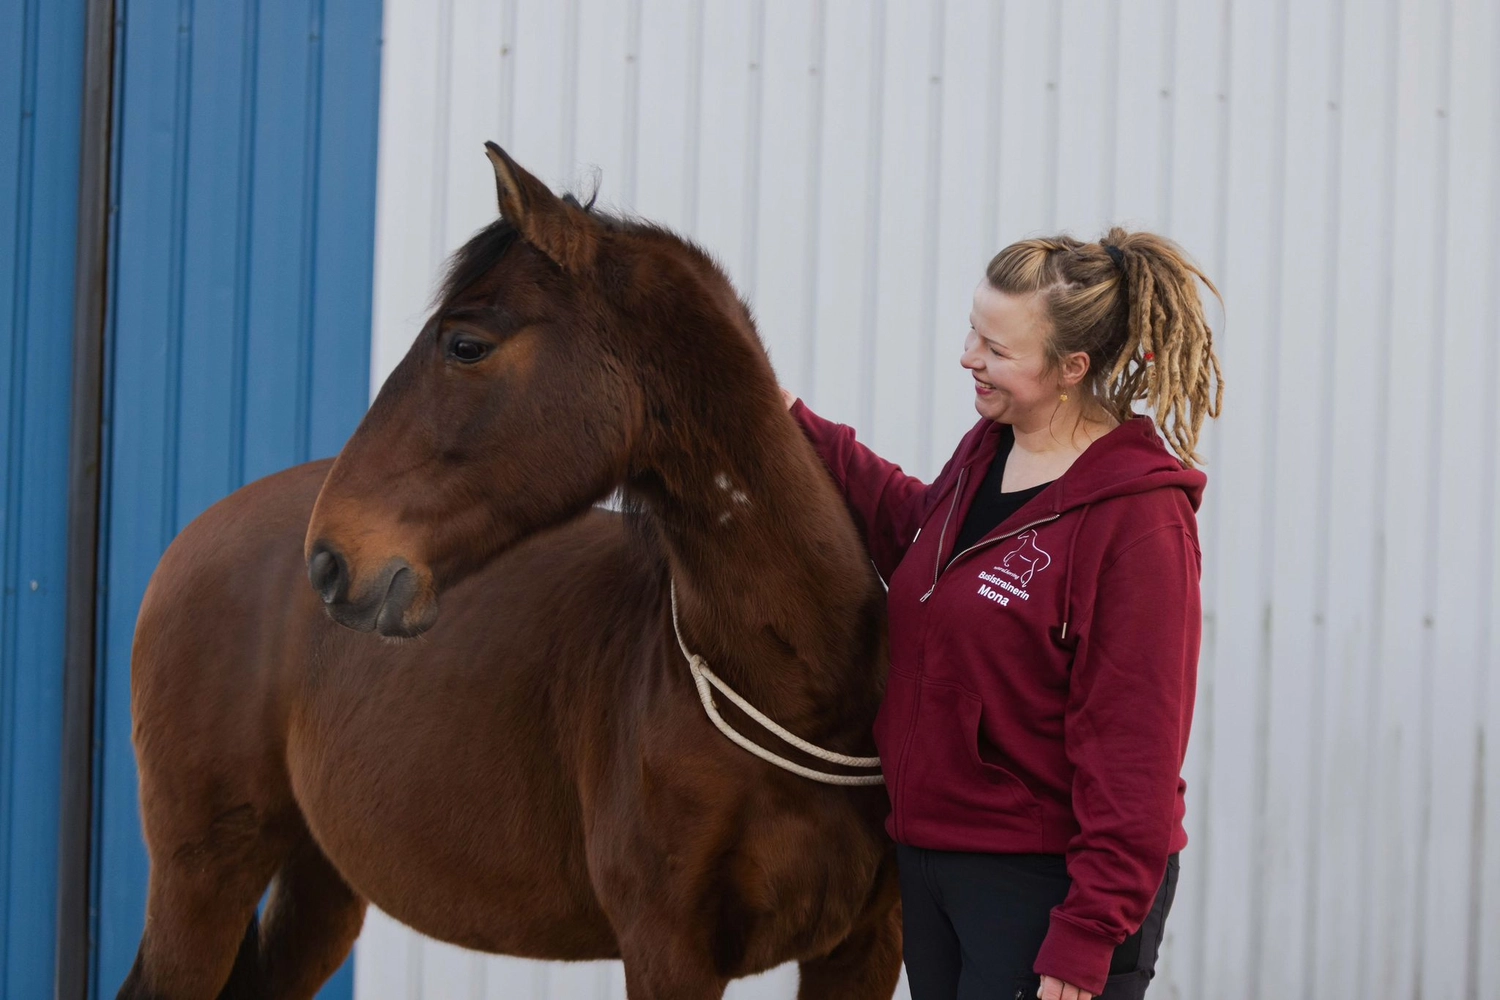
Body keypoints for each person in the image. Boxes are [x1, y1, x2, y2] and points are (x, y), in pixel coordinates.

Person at [782, 229, 1223, 1000]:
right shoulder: (992, 448)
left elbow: (1137, 756)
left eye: (995, 347)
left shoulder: (1137, 522)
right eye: (971, 332)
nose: (967, 357)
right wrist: (788, 421)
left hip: (1043, 888)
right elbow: (920, 540)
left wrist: (1087, 935)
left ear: (1071, 368)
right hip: (934, 864)